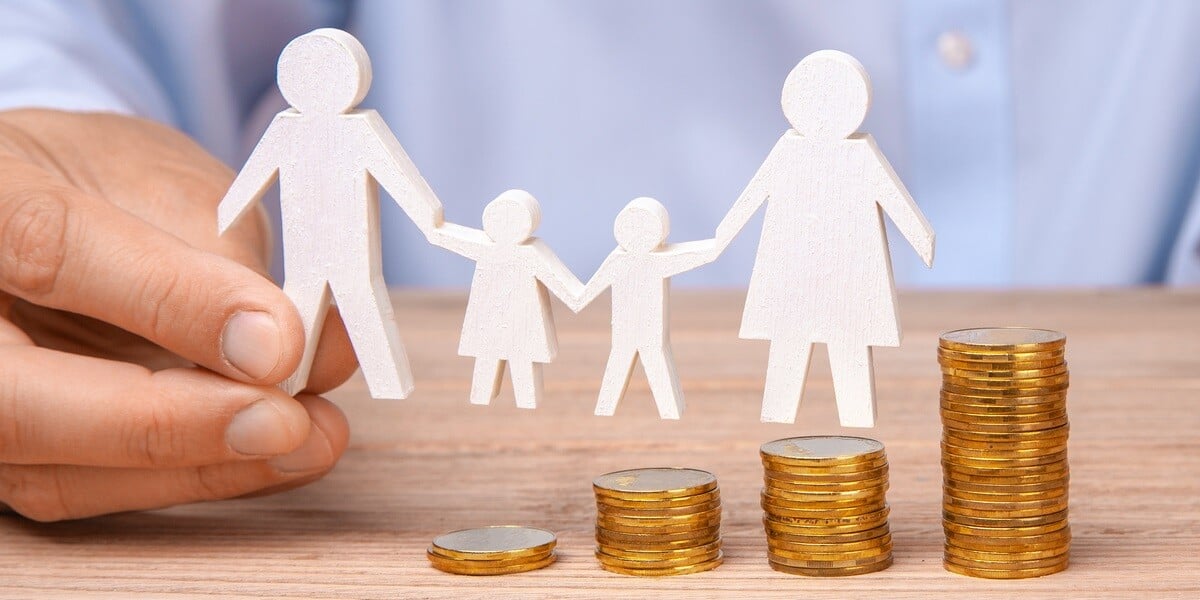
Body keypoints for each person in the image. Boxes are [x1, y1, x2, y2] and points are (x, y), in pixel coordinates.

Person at [3, 0, 1200, 520]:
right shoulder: (348, 128)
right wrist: (39, 131)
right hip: (444, 436)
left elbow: (832, 204)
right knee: (349, 311)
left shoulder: (358, 133)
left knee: (818, 348)